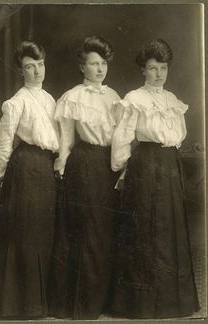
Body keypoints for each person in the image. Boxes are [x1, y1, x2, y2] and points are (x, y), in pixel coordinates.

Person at [109, 39, 200, 318]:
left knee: (169, 229)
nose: (159, 73)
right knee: (146, 229)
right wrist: (122, 169)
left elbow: (178, 136)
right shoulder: (135, 99)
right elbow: (122, 138)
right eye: (152, 68)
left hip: (170, 166)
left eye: (163, 67)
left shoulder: (172, 100)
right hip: (146, 167)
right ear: (143, 71)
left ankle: (174, 301)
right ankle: (143, 304)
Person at [0, 41, 59, 319]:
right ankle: (19, 305)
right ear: (21, 71)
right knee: (24, 233)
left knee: (43, 231)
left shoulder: (50, 99)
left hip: (46, 168)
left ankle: (41, 302)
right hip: (25, 168)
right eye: (30, 67)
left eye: (40, 65)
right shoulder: (16, 102)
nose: (37, 71)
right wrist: (3, 177)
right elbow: (3, 142)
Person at [49, 35, 121, 320]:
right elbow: (66, 140)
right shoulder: (72, 97)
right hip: (84, 166)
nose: (100, 69)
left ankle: (103, 301)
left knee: (105, 232)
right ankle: (81, 304)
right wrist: (62, 167)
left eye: (103, 63)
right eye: (94, 64)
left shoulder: (115, 97)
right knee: (86, 232)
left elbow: (121, 138)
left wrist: (122, 168)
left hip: (109, 166)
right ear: (82, 67)